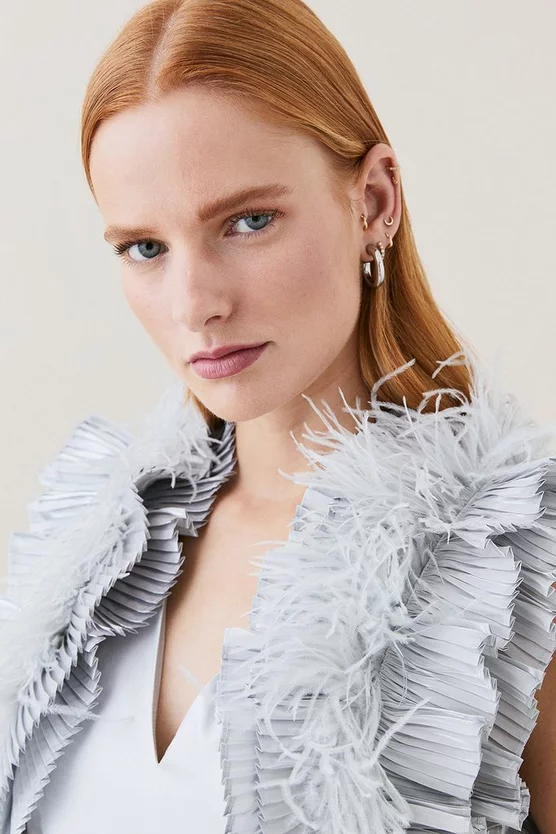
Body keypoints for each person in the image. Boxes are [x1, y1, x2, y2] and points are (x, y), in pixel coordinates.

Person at [0, 0, 554, 832]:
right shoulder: (80, 564)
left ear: (374, 201)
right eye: (145, 248)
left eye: (248, 221)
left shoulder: (508, 563)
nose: (195, 303)